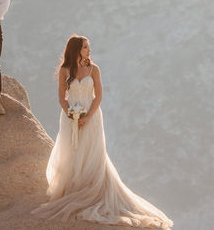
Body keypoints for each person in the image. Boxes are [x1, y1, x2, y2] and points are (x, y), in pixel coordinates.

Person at [32, 35, 173, 228]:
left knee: (91, 151)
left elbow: (98, 96)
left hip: (92, 117)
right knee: (72, 150)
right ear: (76, 50)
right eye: (85, 47)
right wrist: (71, 115)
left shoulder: (94, 69)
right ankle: (73, 188)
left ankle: (91, 187)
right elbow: (61, 98)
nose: (89, 50)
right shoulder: (65, 70)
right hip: (70, 118)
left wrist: (87, 117)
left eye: (88, 47)